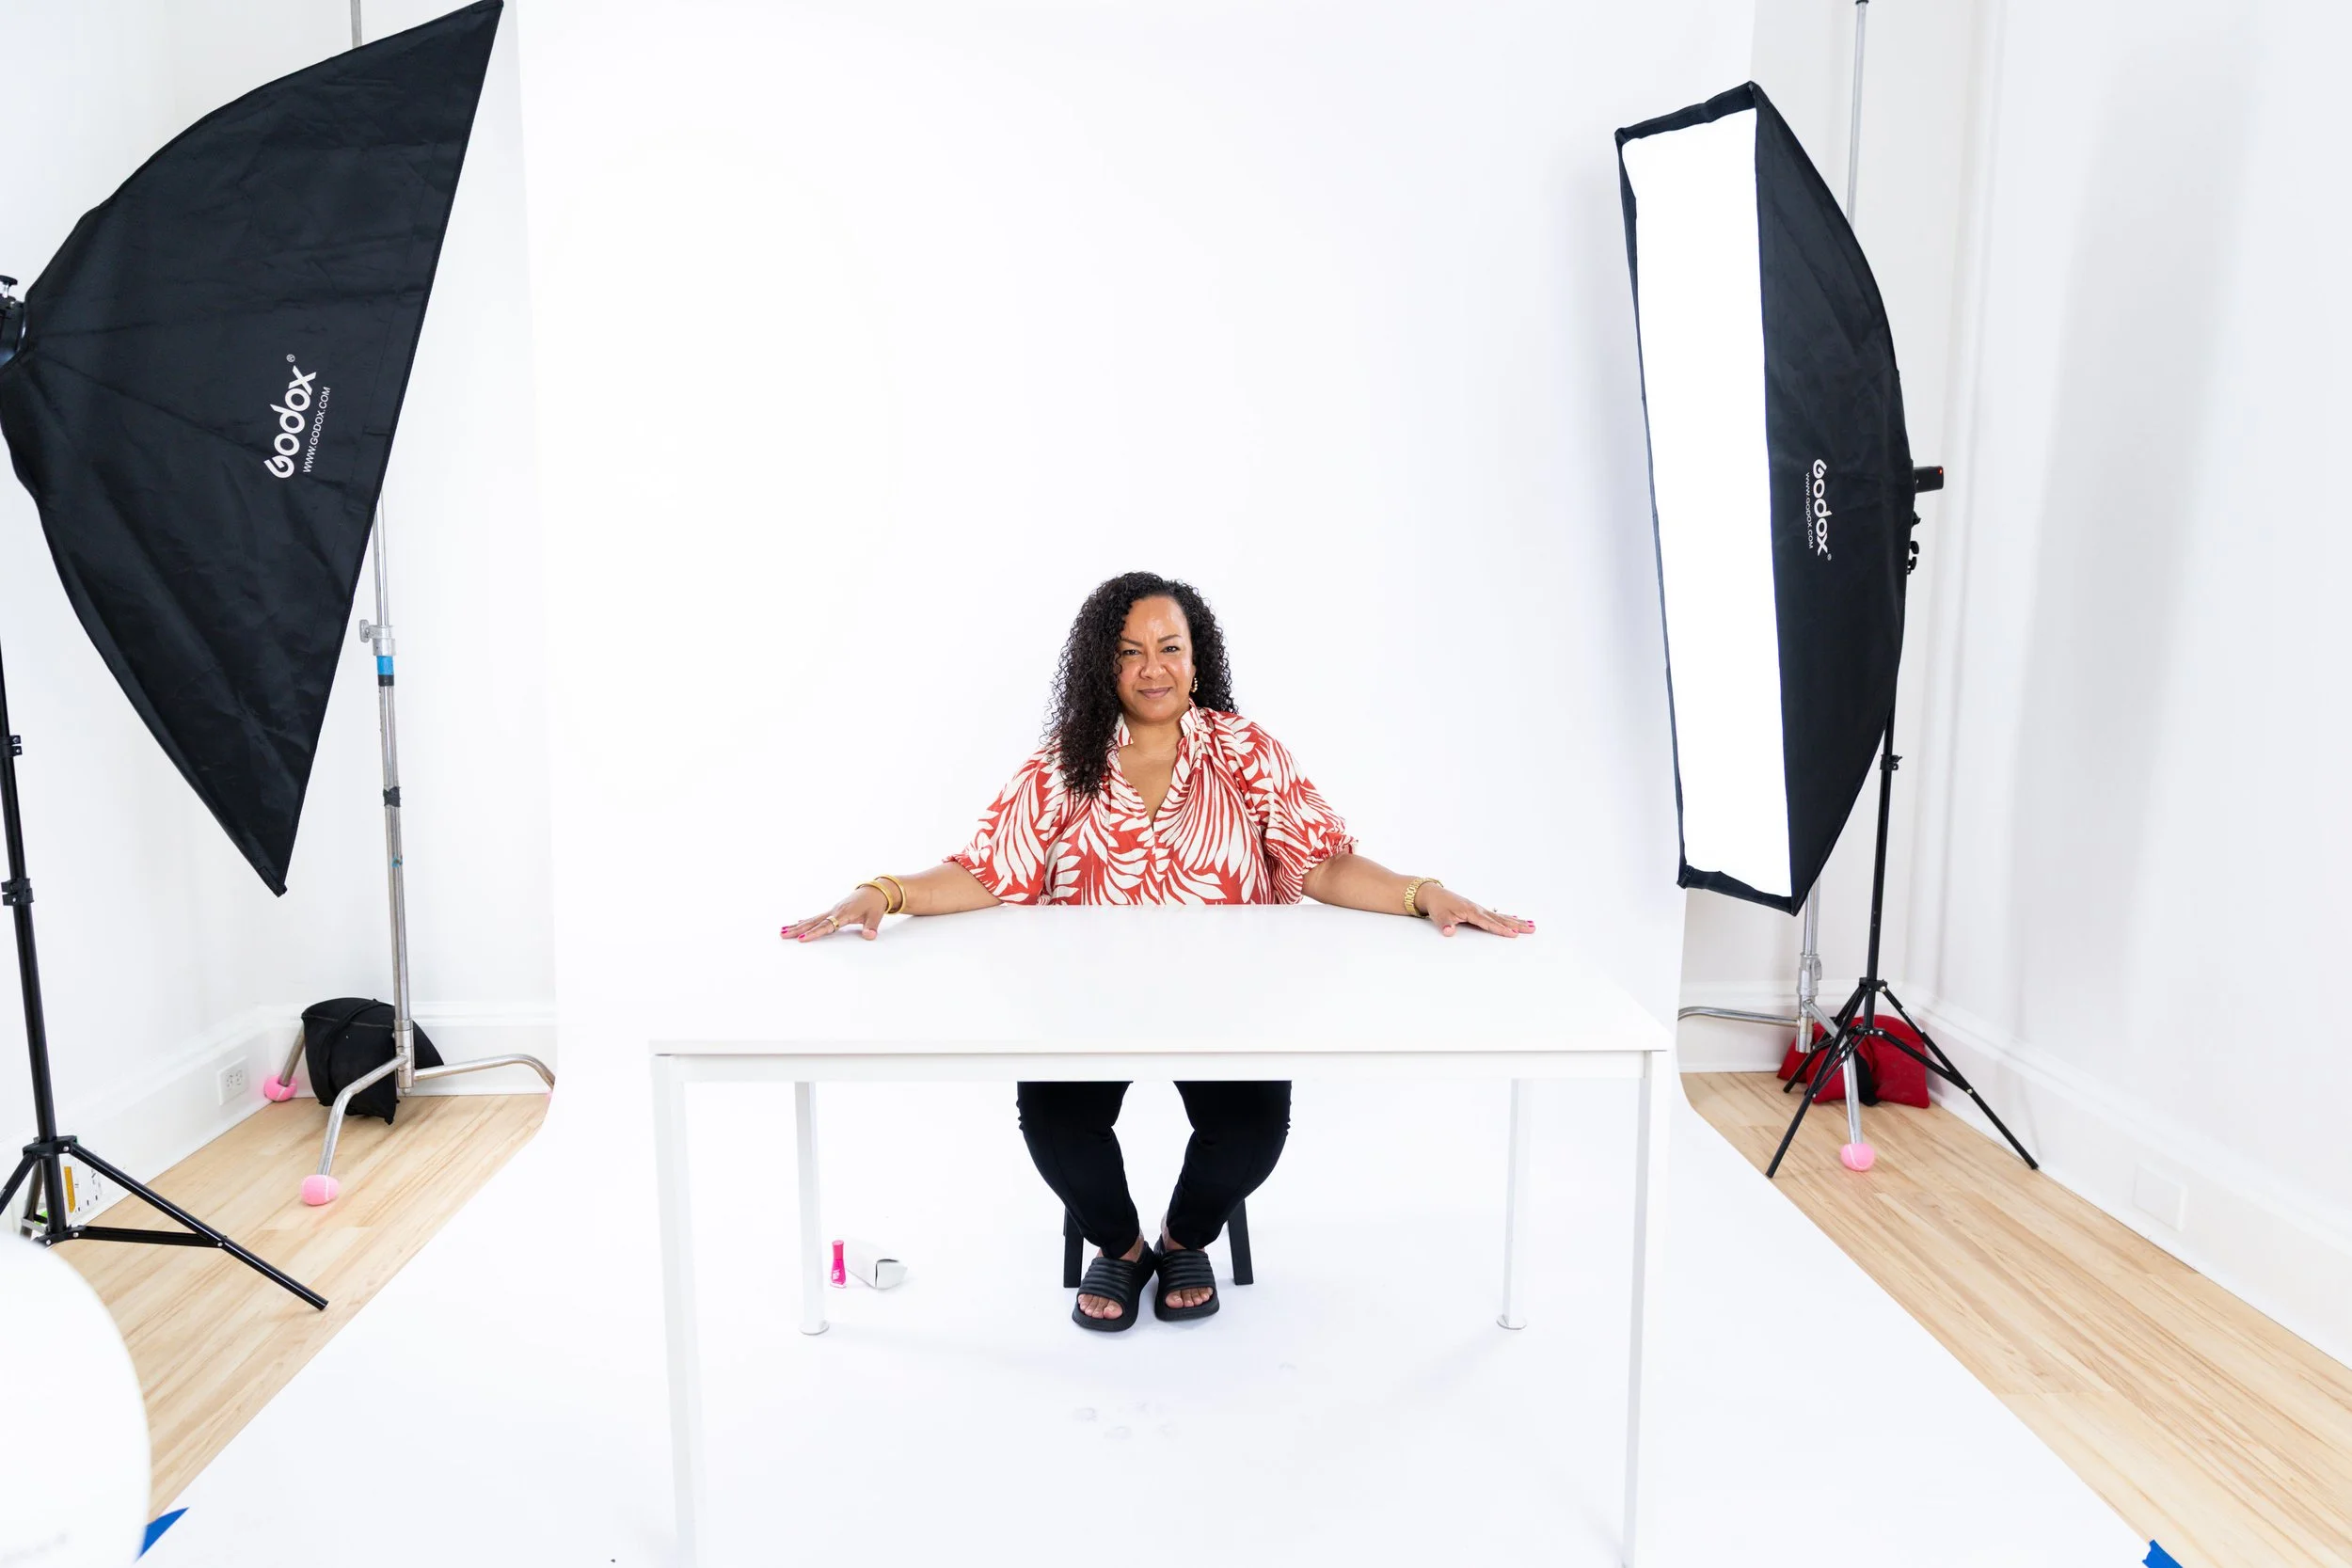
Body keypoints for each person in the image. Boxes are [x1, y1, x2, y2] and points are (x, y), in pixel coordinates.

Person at [783, 571, 1533, 1332]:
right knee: (1052, 1118)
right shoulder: (1063, 763)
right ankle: (1122, 1245)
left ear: (1196, 659)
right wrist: (886, 891)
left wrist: (1423, 891)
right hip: (1084, 1006)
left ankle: (1184, 1239)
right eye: (1131, 651)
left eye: (1170, 647)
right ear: (1104, 666)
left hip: (1230, 1005)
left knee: (1253, 1125)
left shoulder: (1246, 754)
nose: (1153, 667)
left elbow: (1322, 864)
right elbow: (985, 870)